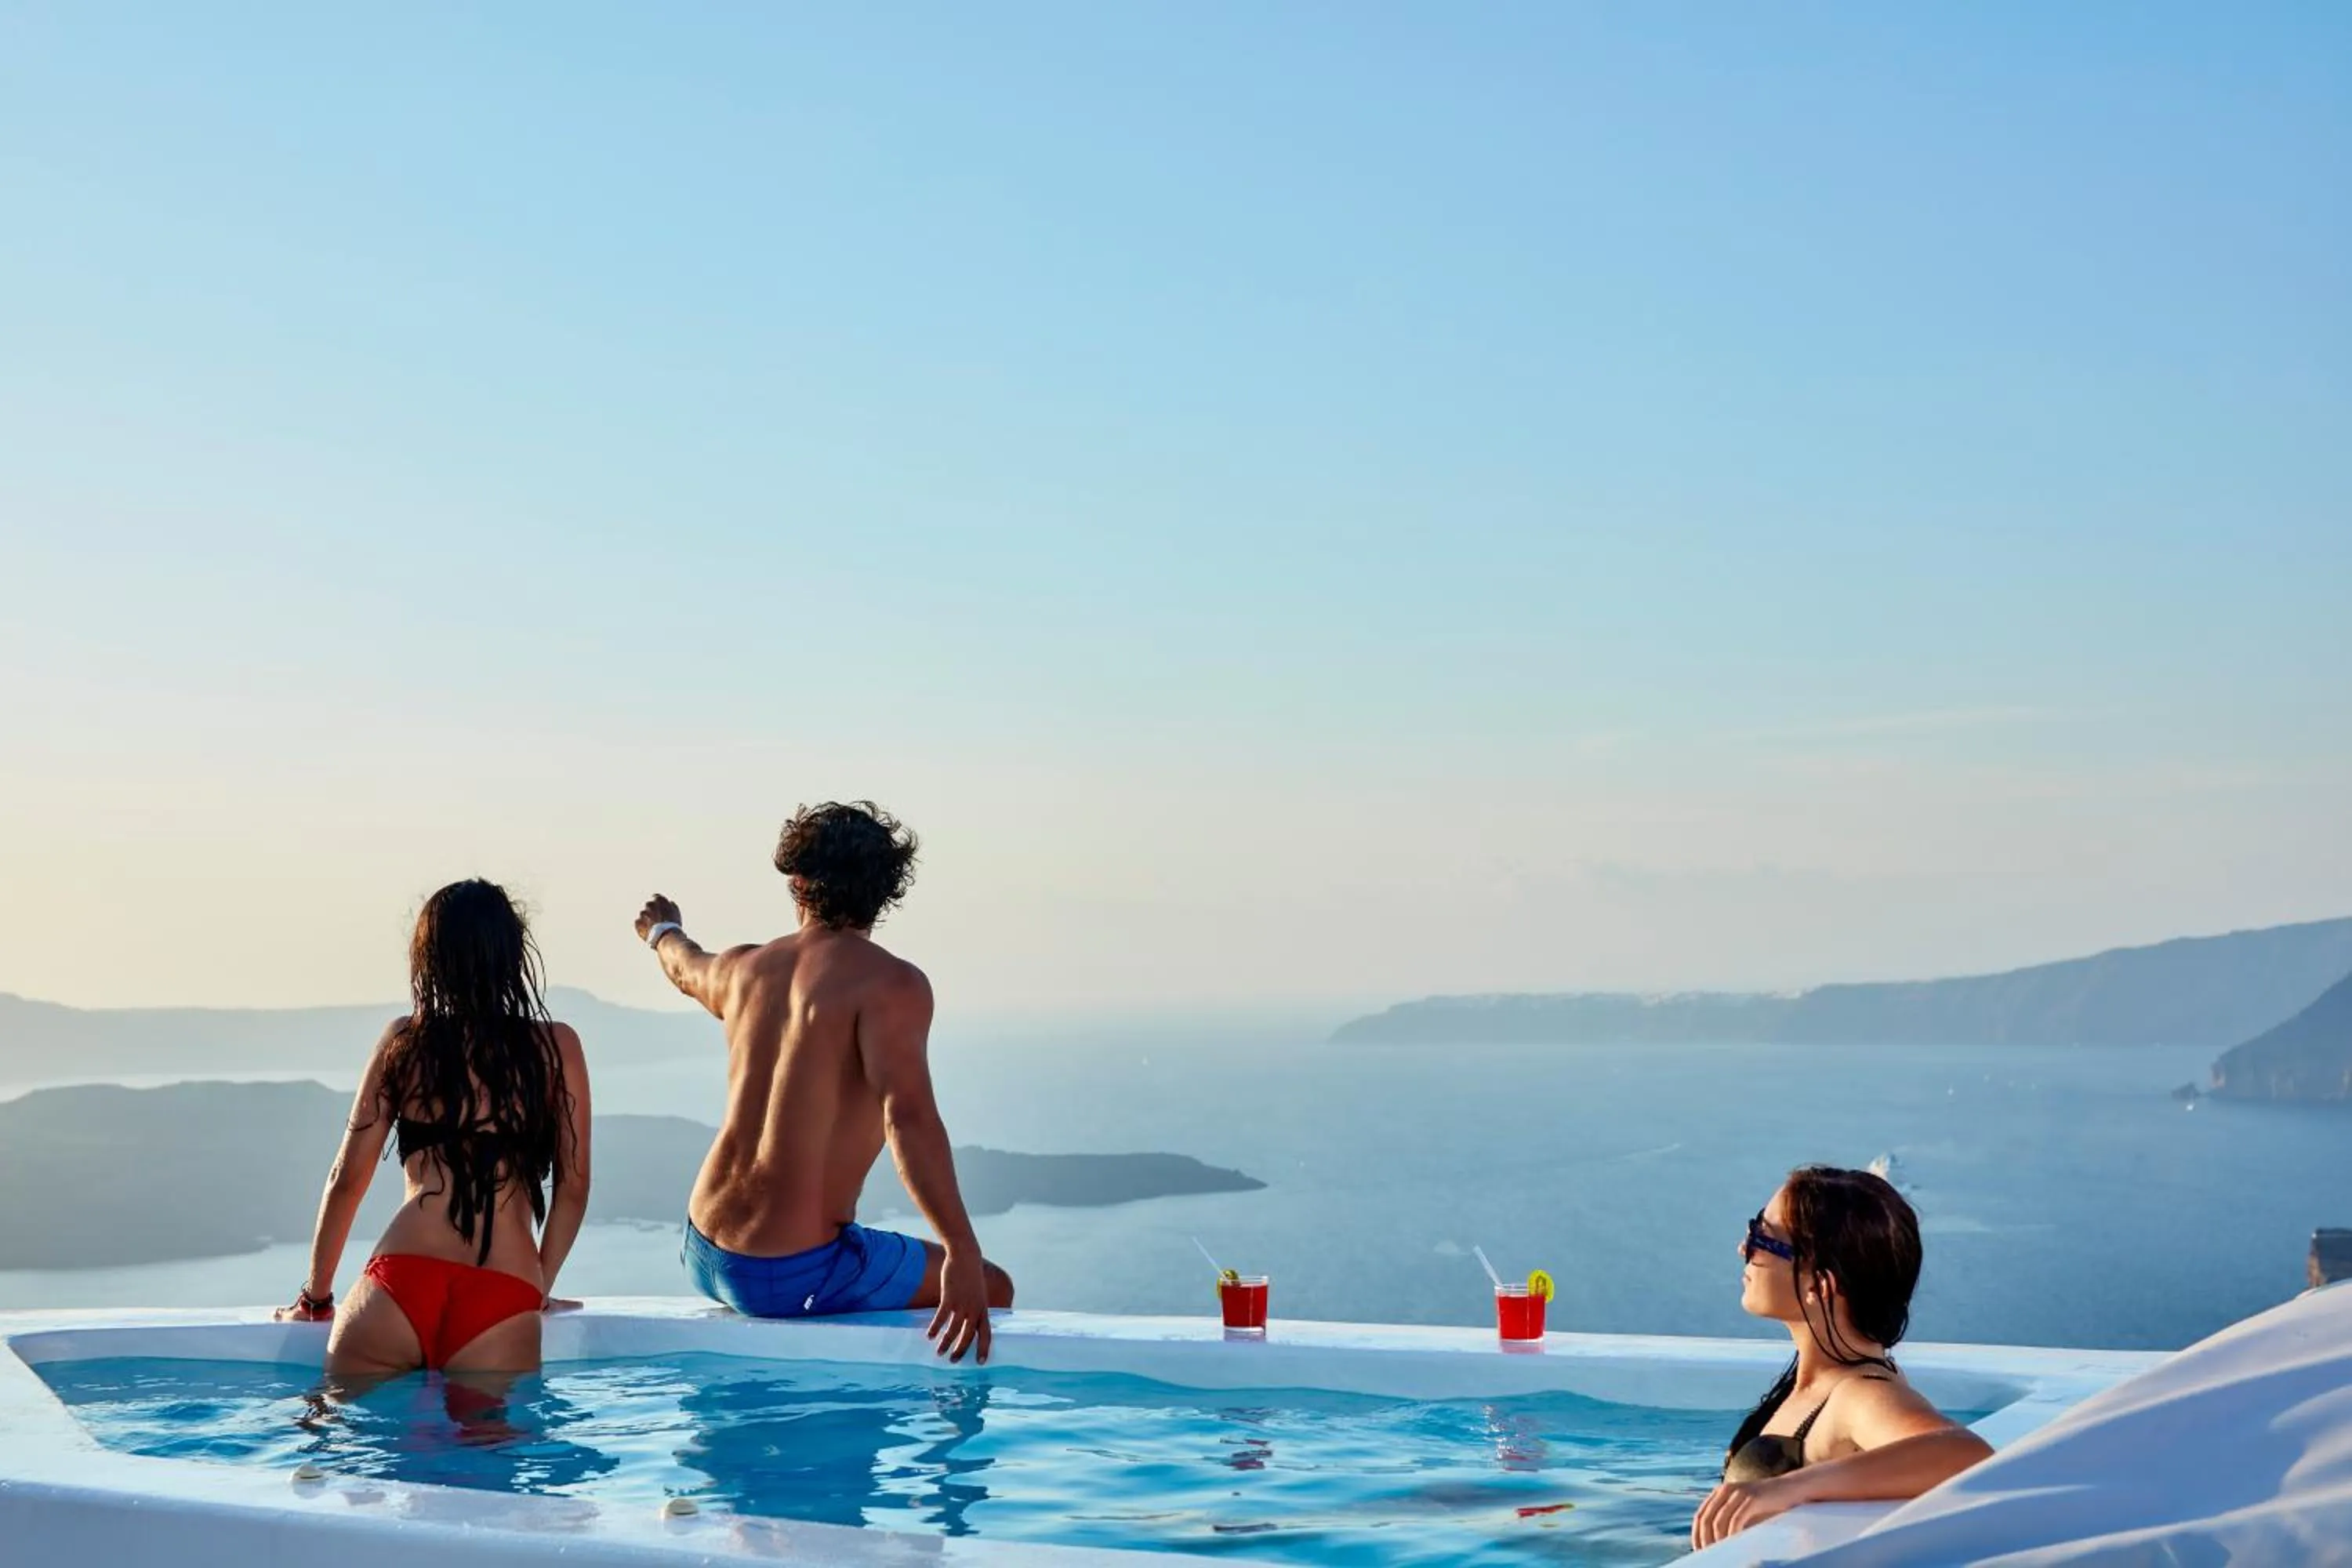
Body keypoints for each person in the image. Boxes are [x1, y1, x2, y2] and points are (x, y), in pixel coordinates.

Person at [634, 800, 1013, 1363]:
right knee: (992, 1286)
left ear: (798, 884)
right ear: (886, 890)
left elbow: (685, 965)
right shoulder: (890, 985)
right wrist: (960, 1248)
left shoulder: (745, 969)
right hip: (785, 1276)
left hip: (703, 1249)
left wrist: (662, 930)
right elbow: (906, 1117)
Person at [275, 880, 592, 1380]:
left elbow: (347, 1178)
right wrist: (537, 1286)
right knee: (485, 1459)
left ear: (428, 959)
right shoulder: (555, 1049)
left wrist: (315, 1300)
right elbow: (573, 1188)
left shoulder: (406, 1041)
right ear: (512, 955)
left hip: (401, 1280)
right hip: (503, 1289)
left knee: (341, 1445)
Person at [1691, 1165, 1993, 1549]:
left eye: (1762, 1239)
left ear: (1819, 1283)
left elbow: (1968, 1457)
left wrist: (1791, 1488)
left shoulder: (1859, 1394)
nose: (1743, 1249)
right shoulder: (1818, 1382)